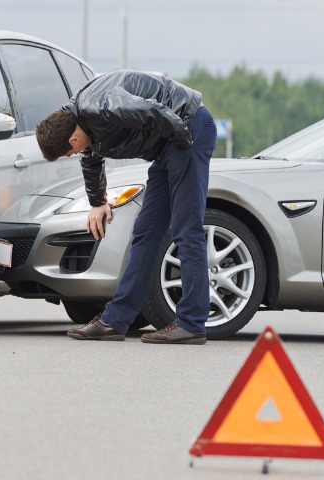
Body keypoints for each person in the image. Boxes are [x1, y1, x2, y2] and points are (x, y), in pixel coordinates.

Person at [35, 70, 217, 345]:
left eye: (67, 152)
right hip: (168, 146)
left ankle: (192, 323)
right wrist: (97, 202)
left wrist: (184, 148)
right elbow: (91, 157)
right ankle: (115, 321)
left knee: (186, 228)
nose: (73, 154)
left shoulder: (104, 106)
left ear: (72, 139)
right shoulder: (80, 118)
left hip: (187, 130)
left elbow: (155, 111)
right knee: (145, 231)